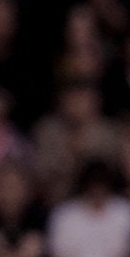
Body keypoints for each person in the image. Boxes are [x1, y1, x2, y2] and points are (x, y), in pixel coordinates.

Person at [30, 77, 122, 207]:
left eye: (82, 100)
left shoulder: (109, 133)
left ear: (95, 103)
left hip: (98, 205)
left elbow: (112, 174)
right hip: (54, 203)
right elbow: (39, 174)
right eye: (72, 100)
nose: (76, 106)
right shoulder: (47, 131)